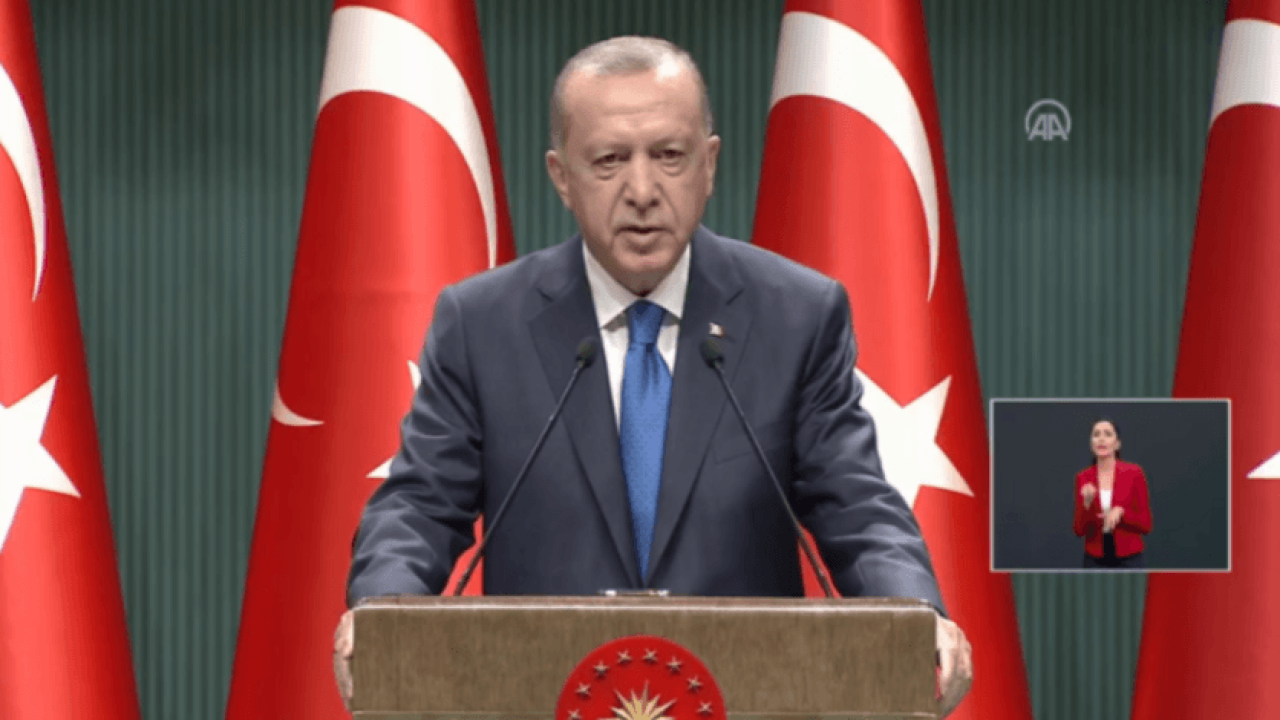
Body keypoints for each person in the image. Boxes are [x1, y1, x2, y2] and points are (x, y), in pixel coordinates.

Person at [334, 36, 972, 716]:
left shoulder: (797, 316)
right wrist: (380, 610)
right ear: (561, 176)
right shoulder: (481, 324)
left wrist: (916, 613)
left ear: (709, 164)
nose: (642, 192)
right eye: (609, 161)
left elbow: (856, 504)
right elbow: (420, 505)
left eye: (669, 156)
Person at [1073, 418, 1153, 568]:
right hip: (1095, 558)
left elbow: (1146, 524)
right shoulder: (1083, 477)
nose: (1101, 439)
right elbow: (1079, 530)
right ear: (1091, 444)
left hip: (1129, 557)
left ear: (1117, 444)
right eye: (1096, 434)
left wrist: (1121, 513)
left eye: (1108, 434)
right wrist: (1087, 504)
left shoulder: (1134, 473)